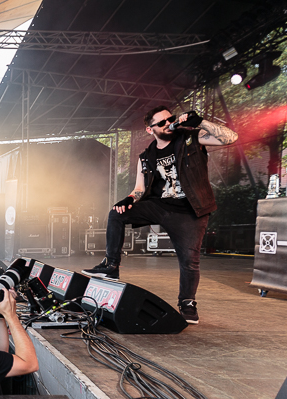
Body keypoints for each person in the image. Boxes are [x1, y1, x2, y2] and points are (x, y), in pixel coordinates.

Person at [82, 106, 238, 324]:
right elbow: (139, 189)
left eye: (170, 119)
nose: (168, 123)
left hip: (190, 210)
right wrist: (128, 200)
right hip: (160, 205)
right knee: (116, 214)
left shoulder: (191, 138)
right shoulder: (146, 157)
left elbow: (231, 138)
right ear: (150, 129)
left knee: (189, 261)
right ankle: (111, 265)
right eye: (162, 122)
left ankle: (187, 302)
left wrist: (201, 122)